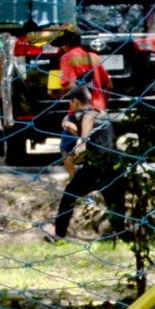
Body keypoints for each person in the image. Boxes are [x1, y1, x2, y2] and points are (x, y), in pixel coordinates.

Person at [50, 31, 116, 238]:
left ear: (67, 45)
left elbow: (70, 85)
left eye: (62, 45)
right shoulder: (94, 57)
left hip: (82, 110)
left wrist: (58, 95)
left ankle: (75, 182)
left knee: (65, 147)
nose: (60, 49)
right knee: (111, 184)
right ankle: (120, 228)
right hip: (101, 111)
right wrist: (101, 102)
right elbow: (108, 84)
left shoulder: (67, 58)